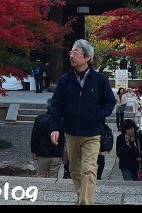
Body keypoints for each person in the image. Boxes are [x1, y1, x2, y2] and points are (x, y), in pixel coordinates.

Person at [48, 39, 116, 205]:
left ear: (87, 57)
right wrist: (54, 127)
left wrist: (96, 116)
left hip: (92, 133)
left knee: (89, 169)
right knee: (74, 170)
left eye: (76, 52)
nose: (72, 55)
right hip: (71, 132)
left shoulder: (100, 80)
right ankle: (82, 199)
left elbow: (110, 102)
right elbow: (56, 104)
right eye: (71, 52)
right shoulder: (65, 80)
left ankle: (85, 202)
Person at [30, 99, 64, 178]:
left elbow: (34, 136)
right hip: (57, 153)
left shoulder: (39, 119)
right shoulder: (62, 120)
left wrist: (34, 150)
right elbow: (63, 139)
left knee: (41, 175)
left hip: (42, 152)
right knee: (53, 176)